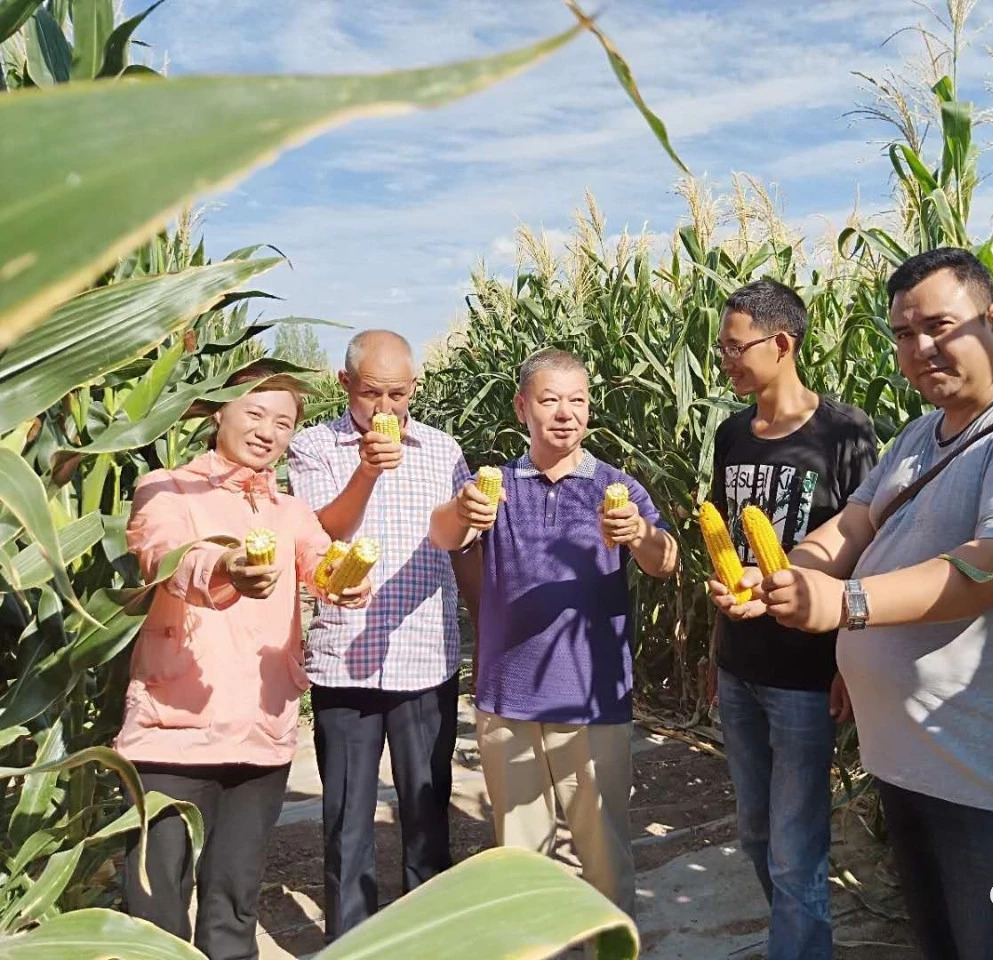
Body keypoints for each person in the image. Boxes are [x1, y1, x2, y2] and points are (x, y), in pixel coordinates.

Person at [712, 247, 993, 960]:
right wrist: (781, 576)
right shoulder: (916, 438)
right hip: (918, 769)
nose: (920, 348)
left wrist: (847, 603)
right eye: (903, 333)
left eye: (939, 325)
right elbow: (853, 525)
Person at [119, 362, 370, 960]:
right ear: (219, 413)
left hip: (262, 731)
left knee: (235, 907)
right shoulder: (166, 488)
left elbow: (319, 557)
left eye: (283, 423)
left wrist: (344, 580)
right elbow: (164, 557)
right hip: (172, 732)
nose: (268, 432)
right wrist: (226, 569)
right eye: (255, 413)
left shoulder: (288, 512)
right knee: (155, 909)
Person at [429, 348, 678, 916]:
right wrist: (464, 508)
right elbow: (443, 536)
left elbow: (667, 560)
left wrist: (639, 532)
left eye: (578, 400)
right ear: (522, 408)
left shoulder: (616, 486)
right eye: (549, 400)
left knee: (603, 852)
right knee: (519, 855)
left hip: (592, 700)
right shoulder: (495, 488)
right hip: (507, 698)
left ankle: (610, 948)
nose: (565, 413)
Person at [287, 330, 480, 942]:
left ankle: (423, 939)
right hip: (345, 661)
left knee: (426, 813)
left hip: (424, 657)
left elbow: (461, 545)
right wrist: (367, 470)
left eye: (398, 394)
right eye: (372, 393)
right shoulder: (314, 448)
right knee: (346, 820)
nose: (386, 409)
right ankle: (351, 944)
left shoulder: (444, 449)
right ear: (346, 386)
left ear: (414, 389)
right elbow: (320, 532)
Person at [708, 278, 878, 960]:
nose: (725, 361)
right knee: (754, 831)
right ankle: (797, 942)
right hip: (740, 665)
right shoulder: (729, 434)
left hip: (806, 675)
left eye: (734, 347)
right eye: (719, 348)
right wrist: (713, 654)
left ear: (782, 344)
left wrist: (850, 660)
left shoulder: (845, 430)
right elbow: (725, 547)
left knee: (795, 844)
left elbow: (870, 542)